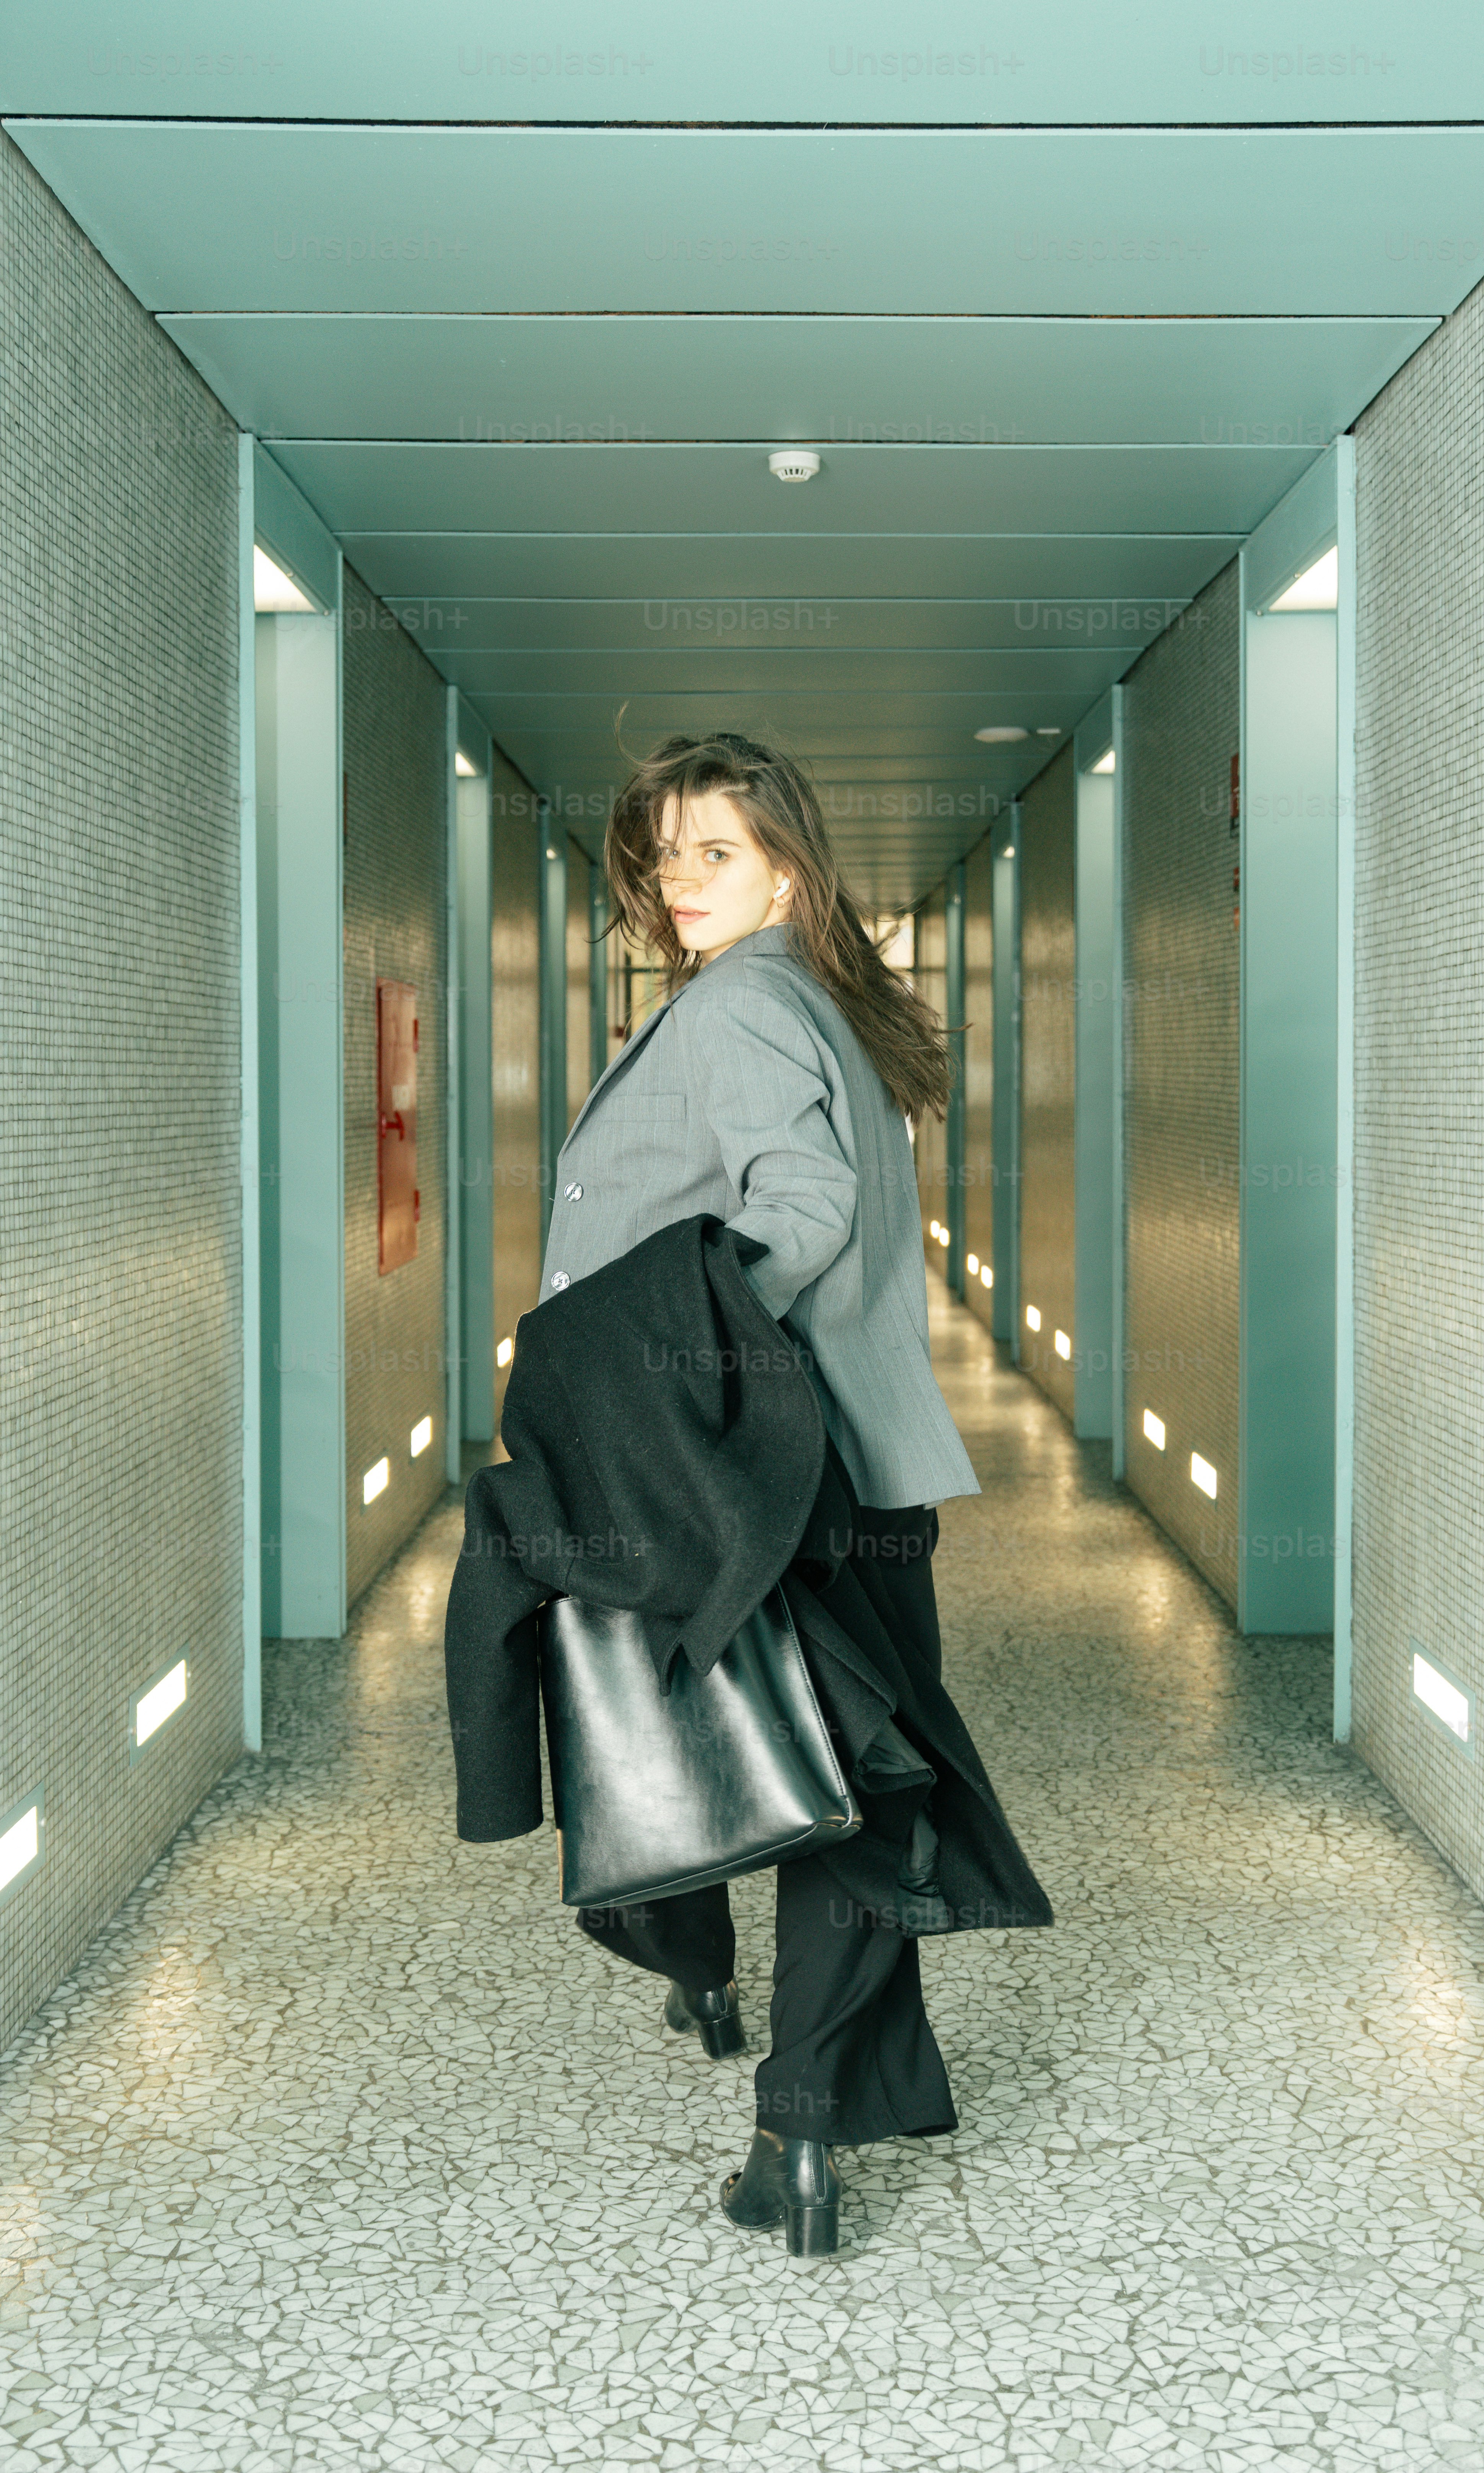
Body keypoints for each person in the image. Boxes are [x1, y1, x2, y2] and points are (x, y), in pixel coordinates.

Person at [533, 731, 1050, 2255]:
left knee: (670, 1734)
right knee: (854, 1800)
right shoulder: (813, 998)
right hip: (864, 1477)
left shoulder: (747, 1005)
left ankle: (720, 1998)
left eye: (722, 852)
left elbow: (804, 1206)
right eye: (668, 851)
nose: (685, 881)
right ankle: (801, 2132)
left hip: (772, 1474)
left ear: (788, 861)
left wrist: (681, 1352)